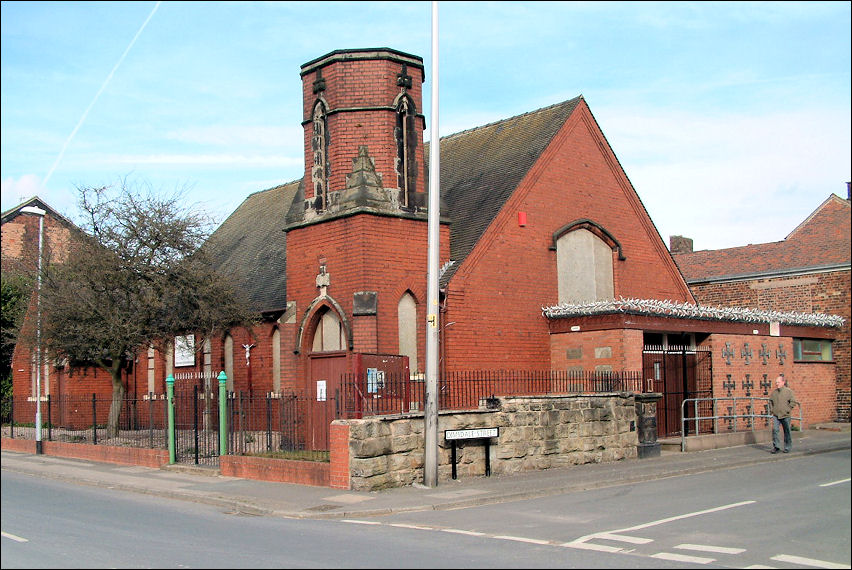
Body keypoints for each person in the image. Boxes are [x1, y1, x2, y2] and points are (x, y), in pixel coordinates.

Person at [768, 375, 799, 454]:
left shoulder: (788, 391)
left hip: (785, 415)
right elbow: (770, 401)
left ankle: (787, 447)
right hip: (776, 415)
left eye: (778, 382)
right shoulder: (774, 393)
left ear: (783, 382)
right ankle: (776, 447)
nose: (777, 384)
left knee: (787, 431)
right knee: (775, 430)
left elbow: (793, 401)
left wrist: (787, 409)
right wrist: (772, 410)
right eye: (776, 382)